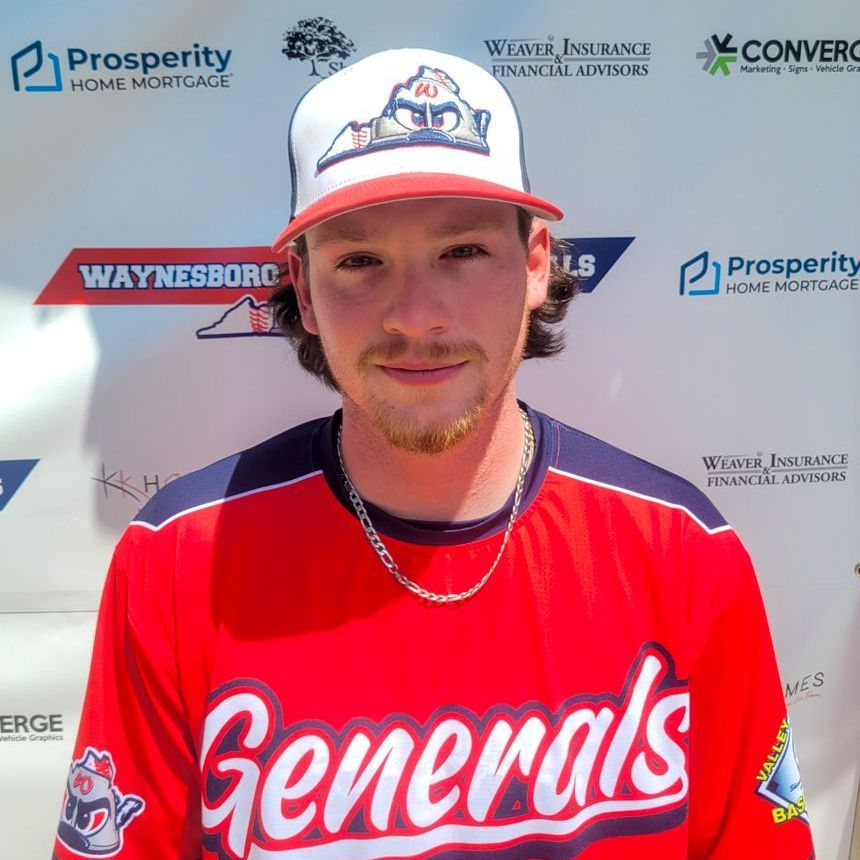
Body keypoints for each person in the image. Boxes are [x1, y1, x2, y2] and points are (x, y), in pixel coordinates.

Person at [54, 48, 815, 859]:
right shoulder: (180, 562)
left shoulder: (683, 551)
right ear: (304, 292)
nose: (415, 316)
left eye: (462, 252)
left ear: (535, 264)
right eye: (359, 261)